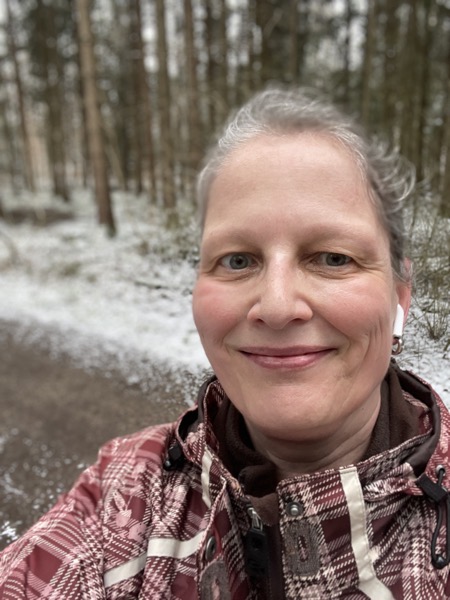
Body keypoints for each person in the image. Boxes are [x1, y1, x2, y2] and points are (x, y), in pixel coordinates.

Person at [1, 88, 449, 599]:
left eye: (332, 258)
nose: (278, 307)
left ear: (399, 297)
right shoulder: (123, 496)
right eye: (238, 260)